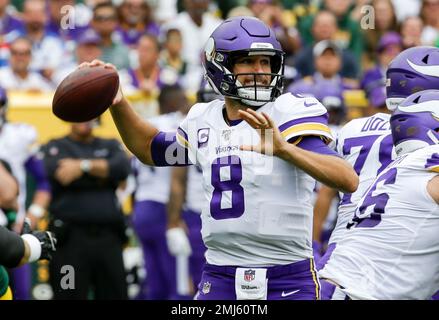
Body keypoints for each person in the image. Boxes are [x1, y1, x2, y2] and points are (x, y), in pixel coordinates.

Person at [80, 16, 358, 300]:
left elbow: (347, 179)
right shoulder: (203, 119)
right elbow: (150, 148)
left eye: (266, 62)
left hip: (285, 277)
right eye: (248, 62)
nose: (260, 71)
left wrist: (286, 150)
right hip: (220, 275)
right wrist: (118, 102)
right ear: (219, 65)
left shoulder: (288, 111)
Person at [313, 46, 439, 299]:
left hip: (345, 253)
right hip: (394, 257)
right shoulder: (423, 141)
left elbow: (326, 191)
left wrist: (314, 244)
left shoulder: (353, 128)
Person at [42, 119, 131, 300]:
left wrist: (82, 166)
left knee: (115, 294)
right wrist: (102, 174)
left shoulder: (111, 144)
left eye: (91, 115)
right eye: (79, 115)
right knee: (68, 294)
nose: (85, 120)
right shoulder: (55, 146)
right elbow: (59, 174)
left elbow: (122, 168)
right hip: (69, 240)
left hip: (108, 238)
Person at [130, 85, 188, 300]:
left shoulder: (148, 125)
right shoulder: (178, 123)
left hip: (142, 205)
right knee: (177, 283)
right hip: (164, 206)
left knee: (154, 285)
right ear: (173, 102)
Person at [0, 162, 56, 300]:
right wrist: (30, 246)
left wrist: (32, 215)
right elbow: (8, 196)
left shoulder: (16, 141)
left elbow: (43, 184)